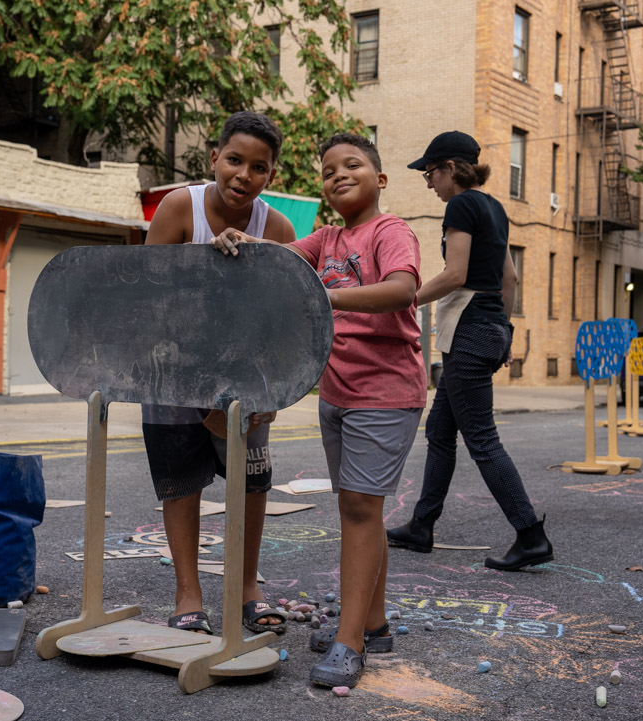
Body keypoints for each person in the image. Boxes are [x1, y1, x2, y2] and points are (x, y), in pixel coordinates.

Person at [212, 133, 426, 688]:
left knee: (359, 509)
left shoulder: (390, 231)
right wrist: (241, 239)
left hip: (385, 391)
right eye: (328, 170)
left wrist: (325, 296)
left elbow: (402, 289)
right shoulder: (326, 238)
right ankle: (372, 624)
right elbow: (281, 259)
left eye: (352, 165)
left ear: (380, 179)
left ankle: (350, 642)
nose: (338, 175)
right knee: (361, 510)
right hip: (337, 391)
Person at [141, 111, 297, 636]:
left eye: (258, 167)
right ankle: (189, 593)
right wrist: (203, 268)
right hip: (173, 375)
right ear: (214, 158)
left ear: (270, 175)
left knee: (251, 485)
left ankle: (247, 586)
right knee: (181, 485)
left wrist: (275, 384)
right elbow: (145, 295)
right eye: (234, 160)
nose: (243, 175)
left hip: (245, 381)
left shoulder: (276, 228)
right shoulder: (178, 207)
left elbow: (285, 317)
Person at [385, 130, 555, 571]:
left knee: (482, 439)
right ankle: (422, 525)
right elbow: (510, 279)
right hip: (491, 326)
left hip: (471, 329)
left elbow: (455, 273)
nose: (428, 182)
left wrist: (403, 298)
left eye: (430, 172)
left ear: (451, 169)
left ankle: (531, 534)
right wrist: (506, 329)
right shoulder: (495, 208)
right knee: (441, 432)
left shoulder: (461, 205)